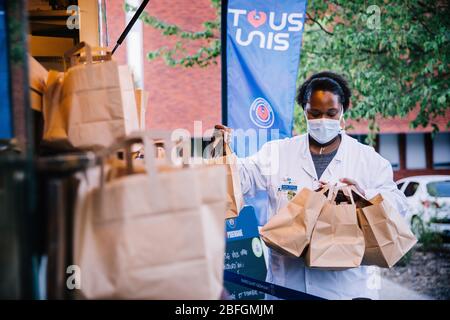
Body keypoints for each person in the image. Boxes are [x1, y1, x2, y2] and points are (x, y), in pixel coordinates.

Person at [216, 71, 409, 300]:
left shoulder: (366, 159)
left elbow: (399, 205)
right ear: (304, 111)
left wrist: (364, 196)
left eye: (331, 113)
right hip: (286, 287)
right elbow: (241, 179)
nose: (322, 120)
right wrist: (222, 153)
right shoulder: (278, 153)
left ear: (343, 110)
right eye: (314, 113)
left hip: (344, 291)